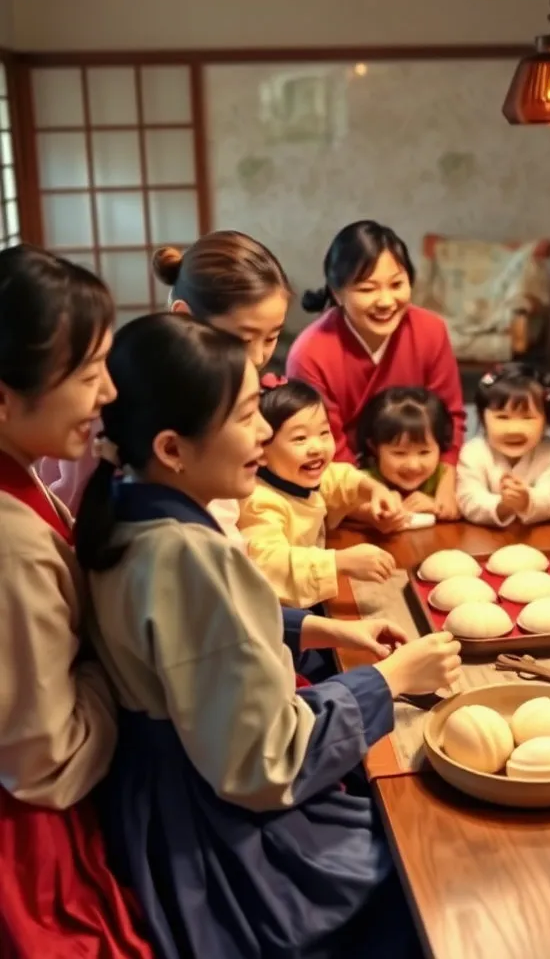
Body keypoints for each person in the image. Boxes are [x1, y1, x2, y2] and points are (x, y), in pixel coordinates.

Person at [76, 311, 461, 957]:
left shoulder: (125, 504)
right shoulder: (190, 557)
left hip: (173, 788)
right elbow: (264, 763)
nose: (265, 434)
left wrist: (318, 626)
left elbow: (201, 645)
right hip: (219, 833)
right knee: (424, 857)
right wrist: (388, 682)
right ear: (172, 448)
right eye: (249, 416)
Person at [0, 246, 153, 957]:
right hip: (31, 840)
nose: (110, 395)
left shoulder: (24, 480)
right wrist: (117, 669)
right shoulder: (13, 546)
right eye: (90, 374)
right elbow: (43, 760)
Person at [39, 229, 292, 542]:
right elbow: (78, 506)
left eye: (271, 338)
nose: (257, 358)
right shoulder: (130, 390)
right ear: (184, 315)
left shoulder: (229, 382)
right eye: (241, 339)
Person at [286, 220, 464, 523]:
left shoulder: (430, 330)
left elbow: (452, 417)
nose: (385, 301)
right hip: (346, 489)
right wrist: (367, 504)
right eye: (368, 289)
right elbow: (324, 450)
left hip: (422, 477)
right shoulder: (310, 353)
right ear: (338, 292)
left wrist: (446, 483)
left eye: (397, 284)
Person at [238, 376, 402, 609]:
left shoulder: (295, 475)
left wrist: (375, 490)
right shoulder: (260, 502)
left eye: (324, 433)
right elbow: (270, 564)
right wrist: (340, 562)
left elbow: (338, 477)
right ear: (261, 451)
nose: (316, 447)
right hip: (280, 616)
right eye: (300, 438)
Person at [457, 362, 550, 526]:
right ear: (482, 418)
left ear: (546, 422)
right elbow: (468, 499)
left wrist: (526, 501)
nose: (513, 429)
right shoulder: (474, 452)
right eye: (502, 417)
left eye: (527, 418)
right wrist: (503, 505)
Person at [357, 386, 458, 520]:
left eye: (424, 452)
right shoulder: (363, 481)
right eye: (400, 453)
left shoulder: (443, 478)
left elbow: (462, 509)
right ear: (374, 447)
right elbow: (344, 508)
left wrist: (437, 508)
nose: (413, 465)